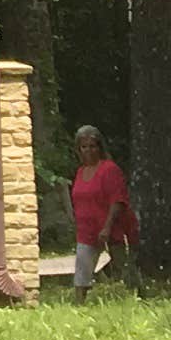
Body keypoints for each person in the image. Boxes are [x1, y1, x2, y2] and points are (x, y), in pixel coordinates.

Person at [70, 124, 137, 296]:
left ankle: (136, 295)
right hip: (86, 230)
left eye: (93, 146)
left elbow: (117, 200)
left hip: (109, 227)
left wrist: (107, 227)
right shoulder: (80, 172)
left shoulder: (109, 169)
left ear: (100, 147)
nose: (89, 151)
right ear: (78, 149)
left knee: (122, 265)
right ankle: (79, 305)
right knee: (82, 268)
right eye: (84, 147)